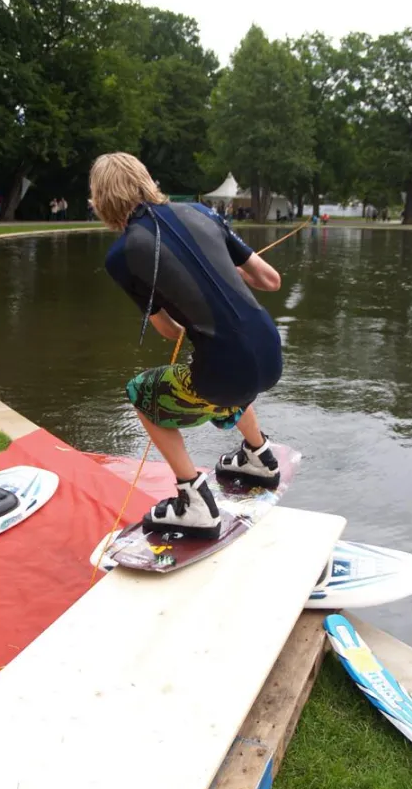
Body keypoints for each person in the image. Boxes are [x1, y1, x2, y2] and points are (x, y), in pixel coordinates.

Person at [89, 152, 283, 539]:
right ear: (146, 179)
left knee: (142, 393)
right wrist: (226, 266)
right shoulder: (200, 212)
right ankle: (259, 455)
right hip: (271, 352)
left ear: (103, 201)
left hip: (227, 371)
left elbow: (170, 331)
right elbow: (270, 280)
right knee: (225, 366)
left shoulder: (122, 255)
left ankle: (193, 500)